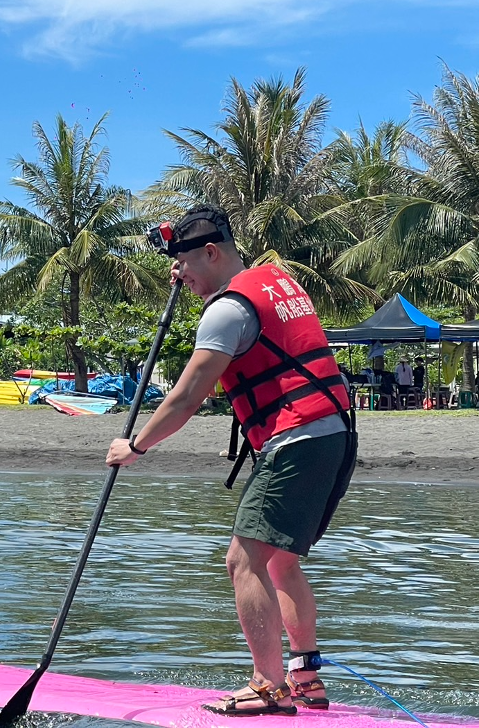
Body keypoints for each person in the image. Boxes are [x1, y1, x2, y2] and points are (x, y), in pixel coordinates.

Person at [106, 204, 355, 717]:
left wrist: (134, 447)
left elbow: (186, 397)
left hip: (298, 438)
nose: (179, 277)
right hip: (335, 435)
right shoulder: (279, 283)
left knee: (243, 561)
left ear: (212, 253)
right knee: (280, 559)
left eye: (183, 266)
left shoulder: (227, 308)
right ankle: (304, 678)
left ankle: (267, 685)